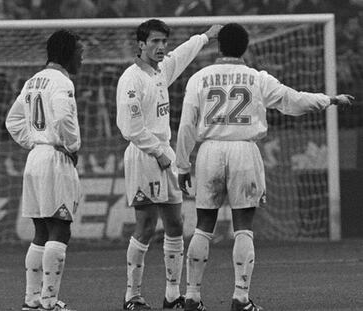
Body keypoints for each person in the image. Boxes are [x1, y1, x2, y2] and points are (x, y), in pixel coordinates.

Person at [175, 23, 354, 311]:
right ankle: (240, 298)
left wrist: (182, 164)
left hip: (209, 151)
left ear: (218, 47)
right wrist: (329, 99)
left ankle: (192, 297)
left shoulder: (199, 78)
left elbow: (186, 126)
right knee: (243, 227)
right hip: (244, 150)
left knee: (203, 225)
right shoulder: (257, 78)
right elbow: (293, 100)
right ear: (246, 48)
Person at [116, 19, 222, 310]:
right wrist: (158, 153)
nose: (161, 47)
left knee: (176, 223)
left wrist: (205, 36)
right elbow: (130, 127)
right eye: (155, 42)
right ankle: (132, 296)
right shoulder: (131, 78)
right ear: (141, 44)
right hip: (144, 153)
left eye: (164, 41)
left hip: (165, 152)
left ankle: (173, 295)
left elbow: (182, 55)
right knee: (146, 225)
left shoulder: (161, 70)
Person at [6, 29, 84, 311]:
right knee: (60, 229)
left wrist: (34, 142)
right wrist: (71, 145)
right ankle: (50, 302)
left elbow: (13, 121)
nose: (82, 58)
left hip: (36, 158)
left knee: (41, 230)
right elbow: (63, 116)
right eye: (80, 52)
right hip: (54, 158)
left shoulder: (33, 81)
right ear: (68, 53)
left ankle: (32, 300)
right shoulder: (62, 82)